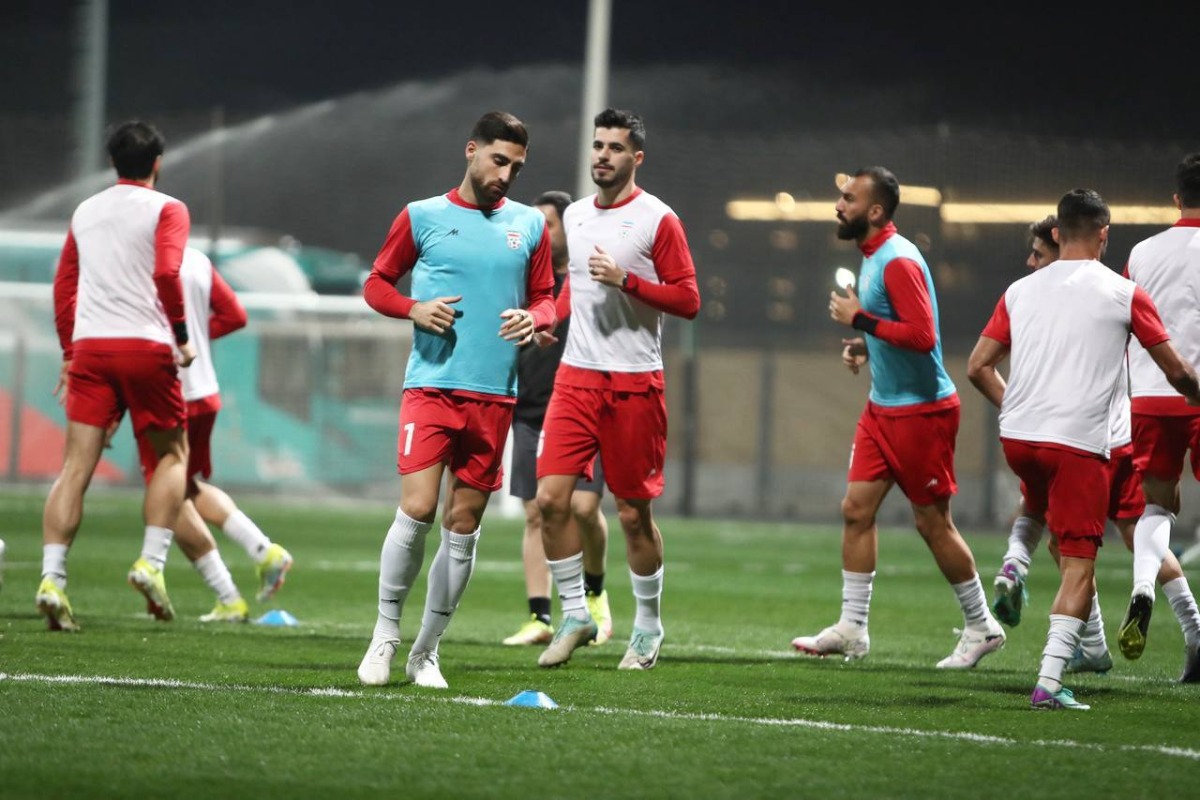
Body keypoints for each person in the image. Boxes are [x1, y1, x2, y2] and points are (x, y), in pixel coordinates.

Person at [967, 188, 1200, 710]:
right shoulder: (1122, 291)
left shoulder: (1019, 290)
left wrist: (1016, 407)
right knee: (1081, 562)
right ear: (1104, 234)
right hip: (1080, 443)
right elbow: (1177, 371)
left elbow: (978, 365)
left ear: (1055, 233)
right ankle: (1049, 683)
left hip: (1019, 439)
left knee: (1046, 528)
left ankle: (1075, 629)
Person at [355, 111, 556, 688]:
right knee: (417, 509)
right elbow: (376, 283)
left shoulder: (530, 226)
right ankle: (385, 636)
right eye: (499, 160)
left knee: (462, 524)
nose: (507, 175)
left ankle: (426, 650)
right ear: (471, 151)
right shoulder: (422, 215)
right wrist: (412, 308)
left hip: (495, 396)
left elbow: (546, 297)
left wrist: (534, 316)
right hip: (431, 387)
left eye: (517, 167)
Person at [791, 166, 1006, 669]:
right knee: (855, 510)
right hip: (882, 410)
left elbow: (924, 336)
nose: (838, 205)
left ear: (875, 211)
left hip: (922, 414)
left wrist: (860, 320)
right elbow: (897, 332)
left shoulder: (896, 259)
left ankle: (982, 626)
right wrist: (864, 346)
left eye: (848, 198)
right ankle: (852, 629)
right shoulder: (871, 256)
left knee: (932, 523)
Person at [534, 108, 700, 671]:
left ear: (636, 159)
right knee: (551, 501)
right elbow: (572, 291)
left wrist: (627, 280)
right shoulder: (575, 217)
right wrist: (545, 319)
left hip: (634, 385)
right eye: (597, 145)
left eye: (614, 147)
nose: (602, 155)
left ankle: (649, 628)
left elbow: (689, 300)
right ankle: (577, 614)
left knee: (632, 514)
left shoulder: (659, 220)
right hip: (575, 379)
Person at [36, 120, 196, 632]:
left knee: (75, 467)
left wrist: (69, 351)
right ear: (157, 162)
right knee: (173, 455)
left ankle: (52, 578)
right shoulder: (168, 208)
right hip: (146, 348)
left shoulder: (85, 211)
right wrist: (182, 336)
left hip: (91, 350)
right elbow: (168, 273)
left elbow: (65, 286)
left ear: (111, 163)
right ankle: (150, 562)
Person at [132, 246, 294, 622]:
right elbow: (235, 315)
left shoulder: (140, 260)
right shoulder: (197, 259)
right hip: (204, 392)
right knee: (185, 485)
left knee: (168, 496)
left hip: (166, 393)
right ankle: (263, 550)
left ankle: (228, 596)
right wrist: (196, 338)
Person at [502, 190, 613, 647]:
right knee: (535, 513)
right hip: (529, 409)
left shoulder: (589, 277)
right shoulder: (529, 282)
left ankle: (595, 596)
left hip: (581, 407)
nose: (541, 234)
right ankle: (541, 616)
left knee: (584, 508)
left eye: (549, 225)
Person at [1119, 152, 1200, 681]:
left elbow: (1126, 322)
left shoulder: (1142, 252)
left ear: (1176, 198)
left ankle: (1144, 584)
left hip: (1150, 395)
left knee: (1156, 509)